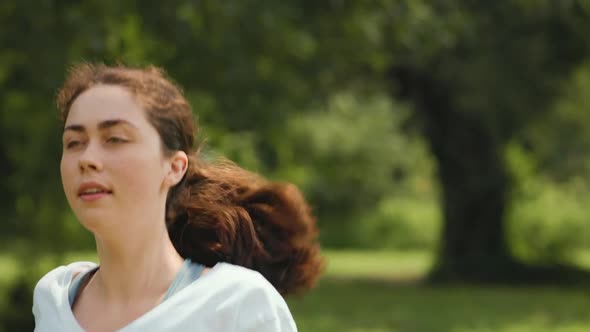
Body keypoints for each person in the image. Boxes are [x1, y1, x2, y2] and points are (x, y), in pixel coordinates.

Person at [32, 63, 324, 332]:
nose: (87, 158)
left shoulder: (237, 304)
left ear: (174, 167)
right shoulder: (54, 299)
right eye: (74, 143)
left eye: (115, 139)